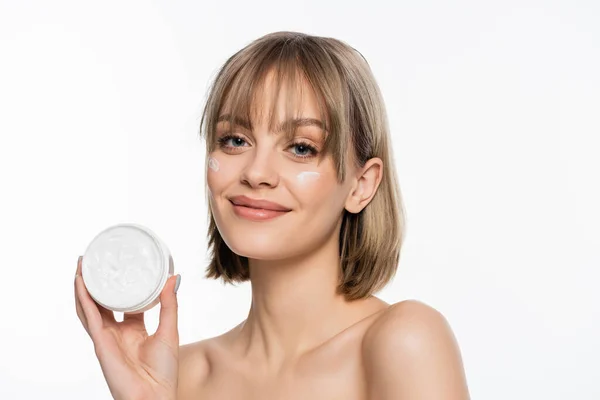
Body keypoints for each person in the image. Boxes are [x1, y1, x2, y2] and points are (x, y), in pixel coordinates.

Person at [74, 31, 470, 399]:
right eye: (235, 140)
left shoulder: (405, 342)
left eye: (301, 147)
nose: (256, 172)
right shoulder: (183, 375)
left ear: (361, 184)